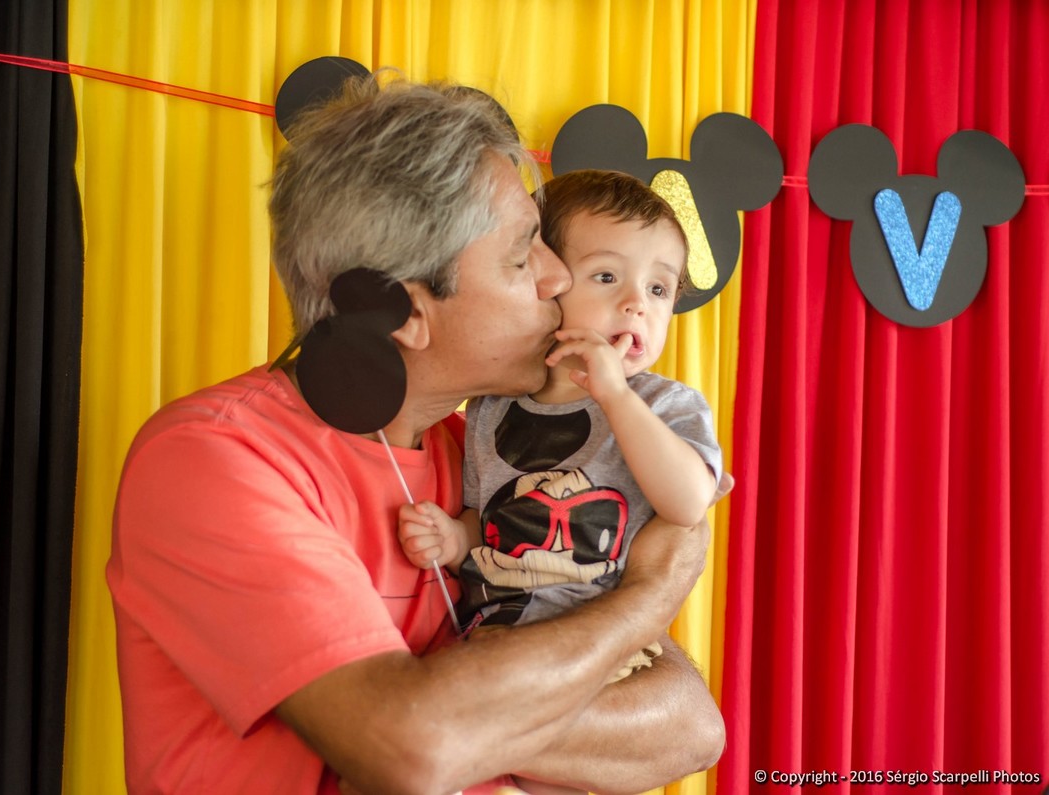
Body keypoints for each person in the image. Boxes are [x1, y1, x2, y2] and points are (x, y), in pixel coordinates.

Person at [108, 75, 725, 795]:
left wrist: (463, 711)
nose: (559, 279)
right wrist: (652, 593)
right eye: (523, 254)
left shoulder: (482, 451)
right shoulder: (215, 462)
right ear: (405, 312)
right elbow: (413, 749)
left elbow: (689, 726)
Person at [397, 170, 723, 794]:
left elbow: (687, 503)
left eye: (659, 288)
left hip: (600, 650)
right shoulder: (491, 409)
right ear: (546, 283)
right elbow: (495, 520)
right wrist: (457, 538)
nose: (637, 304)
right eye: (606, 278)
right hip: (496, 635)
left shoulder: (663, 406)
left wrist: (615, 396)